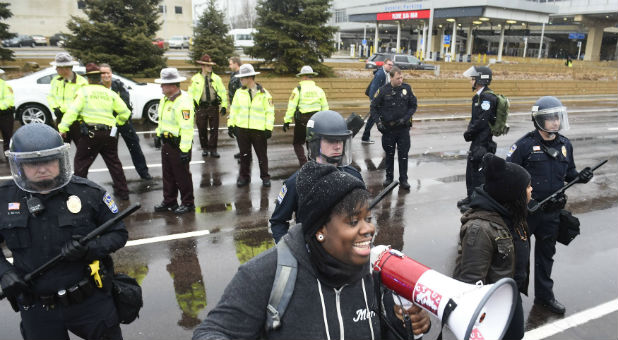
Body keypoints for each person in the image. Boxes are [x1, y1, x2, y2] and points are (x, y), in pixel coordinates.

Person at [193, 161, 431, 339]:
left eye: (368, 218)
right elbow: (212, 332)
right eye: (353, 221)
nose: (368, 228)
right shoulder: (267, 274)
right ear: (320, 230)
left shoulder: (377, 274)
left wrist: (408, 325)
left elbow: (388, 333)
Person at [0, 123, 128, 339]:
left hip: (90, 301)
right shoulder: (4, 199)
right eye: (32, 163)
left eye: (48, 160)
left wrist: (89, 249)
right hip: (38, 306)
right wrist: (5, 273)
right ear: (19, 165)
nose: (42, 168)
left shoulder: (89, 193)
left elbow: (119, 233)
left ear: (60, 160)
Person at [506, 96, 593, 314]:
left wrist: (582, 176)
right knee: (519, 261)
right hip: (527, 214)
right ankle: (509, 302)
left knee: (545, 258)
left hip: (552, 215)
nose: (555, 122)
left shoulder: (565, 145)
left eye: (558, 117)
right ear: (538, 120)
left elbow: (569, 174)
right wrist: (523, 201)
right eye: (550, 118)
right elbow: (508, 177)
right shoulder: (524, 145)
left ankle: (545, 297)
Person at [453, 153, 532, 340]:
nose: (532, 189)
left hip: (510, 295)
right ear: (512, 193)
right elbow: (471, 283)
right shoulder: (480, 229)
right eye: (527, 186)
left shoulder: (513, 213)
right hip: (491, 305)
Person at [270, 110, 361, 243]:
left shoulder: (353, 175)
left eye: (341, 140)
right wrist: (288, 250)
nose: (338, 146)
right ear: (315, 143)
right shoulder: (296, 182)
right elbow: (278, 221)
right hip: (313, 251)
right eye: (331, 140)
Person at [58, 63, 131, 201]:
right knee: (114, 163)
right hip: (110, 134)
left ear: (88, 79)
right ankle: (123, 192)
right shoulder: (110, 93)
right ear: (100, 78)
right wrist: (117, 123)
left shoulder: (83, 92)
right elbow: (125, 112)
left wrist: (63, 128)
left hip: (92, 134)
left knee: (81, 163)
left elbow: (73, 111)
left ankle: (79, 194)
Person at [153, 68, 196, 214]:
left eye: (164, 84)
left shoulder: (183, 102)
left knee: (182, 176)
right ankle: (170, 201)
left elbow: (187, 128)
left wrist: (184, 150)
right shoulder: (165, 99)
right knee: (168, 174)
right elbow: (162, 121)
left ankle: (188, 202)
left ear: (173, 86)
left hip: (178, 145)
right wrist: (158, 135)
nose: (161, 87)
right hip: (167, 143)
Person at [99, 63, 152, 180]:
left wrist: (119, 118)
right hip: (109, 124)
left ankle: (144, 173)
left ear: (111, 73)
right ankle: (118, 178)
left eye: (108, 72)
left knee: (135, 147)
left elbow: (125, 104)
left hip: (123, 121)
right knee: (111, 153)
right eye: (103, 73)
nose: (106, 75)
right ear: (99, 75)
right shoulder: (98, 89)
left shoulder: (118, 85)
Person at [458, 66, 498, 212]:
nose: (471, 81)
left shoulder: (487, 98)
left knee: (478, 173)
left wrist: (469, 132)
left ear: (480, 80)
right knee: (470, 171)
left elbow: (482, 120)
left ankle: (476, 202)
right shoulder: (479, 96)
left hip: (483, 142)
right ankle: (471, 196)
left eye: (473, 79)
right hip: (477, 141)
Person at [227, 64, 274, 188]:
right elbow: (234, 110)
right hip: (242, 129)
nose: (240, 80)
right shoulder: (239, 93)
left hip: (258, 130)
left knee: (262, 155)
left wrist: (268, 128)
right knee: (244, 155)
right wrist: (231, 124)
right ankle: (244, 177)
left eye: (242, 78)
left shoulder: (264, 94)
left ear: (249, 78)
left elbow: (269, 112)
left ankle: (265, 177)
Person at [370, 66, 417, 190]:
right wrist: (378, 123)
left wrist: (405, 118)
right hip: (388, 129)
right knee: (389, 155)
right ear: (391, 78)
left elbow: (413, 105)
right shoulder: (383, 90)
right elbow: (373, 107)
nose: (400, 80)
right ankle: (389, 178)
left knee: (403, 155)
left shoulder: (407, 88)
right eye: (398, 78)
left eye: (401, 77)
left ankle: (404, 179)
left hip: (403, 129)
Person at [282, 65, 329, 166]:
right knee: (311, 142)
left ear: (302, 77)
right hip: (316, 120)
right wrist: (325, 121)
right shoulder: (319, 90)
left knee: (297, 143)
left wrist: (287, 120)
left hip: (302, 121)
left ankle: (304, 164)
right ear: (311, 76)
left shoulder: (297, 90)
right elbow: (325, 107)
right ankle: (313, 163)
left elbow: (292, 106)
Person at [188, 54, 228, 158]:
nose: (210, 67)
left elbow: (223, 92)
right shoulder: (195, 79)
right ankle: (205, 148)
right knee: (202, 129)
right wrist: (192, 106)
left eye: (210, 65)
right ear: (202, 66)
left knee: (214, 130)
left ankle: (213, 149)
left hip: (213, 107)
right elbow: (190, 94)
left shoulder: (216, 78)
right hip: (201, 108)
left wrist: (224, 106)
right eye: (208, 65)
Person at [47, 52, 88, 144]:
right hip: (60, 119)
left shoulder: (81, 82)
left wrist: (62, 109)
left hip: (76, 121)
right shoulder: (56, 80)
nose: (56, 69)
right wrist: (55, 108)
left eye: (58, 67)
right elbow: (51, 96)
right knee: (61, 148)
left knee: (82, 149)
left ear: (65, 68)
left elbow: (80, 102)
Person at [361, 58, 393, 144]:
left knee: (373, 119)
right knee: (381, 119)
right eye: (389, 64)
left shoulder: (386, 73)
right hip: (377, 101)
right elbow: (373, 88)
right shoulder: (380, 74)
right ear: (384, 64)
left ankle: (365, 137)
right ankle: (388, 138)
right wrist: (373, 101)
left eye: (392, 65)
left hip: (381, 100)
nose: (391, 66)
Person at [228, 56, 243, 161]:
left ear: (236, 64)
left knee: (241, 131)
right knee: (238, 131)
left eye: (230, 63)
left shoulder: (241, 76)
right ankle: (243, 151)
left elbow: (242, 93)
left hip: (239, 107)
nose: (229, 66)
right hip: (234, 106)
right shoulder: (234, 75)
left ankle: (245, 154)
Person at [0, 68, 15, 152]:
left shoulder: (5, 85)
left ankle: (8, 155)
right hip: (4, 112)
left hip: (5, 114)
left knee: (7, 137)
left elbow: (9, 99)